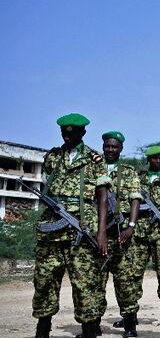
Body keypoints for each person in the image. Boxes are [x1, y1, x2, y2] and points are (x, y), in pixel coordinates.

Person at [33, 113, 110, 338]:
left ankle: (88, 332)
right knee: (44, 280)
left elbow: (103, 197)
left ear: (83, 133)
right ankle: (42, 330)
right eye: (64, 133)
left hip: (83, 225)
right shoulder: (53, 157)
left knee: (85, 284)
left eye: (72, 133)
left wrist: (102, 232)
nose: (67, 137)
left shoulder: (94, 159)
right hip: (52, 225)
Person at [121, 145, 160, 333]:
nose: (158, 161)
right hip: (140, 234)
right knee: (132, 277)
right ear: (149, 160)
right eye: (154, 158)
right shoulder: (138, 178)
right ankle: (130, 320)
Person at [99, 131, 143, 337]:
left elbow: (136, 199)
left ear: (121, 149)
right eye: (107, 146)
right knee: (94, 280)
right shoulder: (93, 169)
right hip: (97, 232)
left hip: (121, 232)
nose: (110, 150)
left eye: (114, 147)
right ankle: (92, 325)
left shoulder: (128, 171)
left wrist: (131, 226)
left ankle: (129, 326)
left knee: (125, 281)